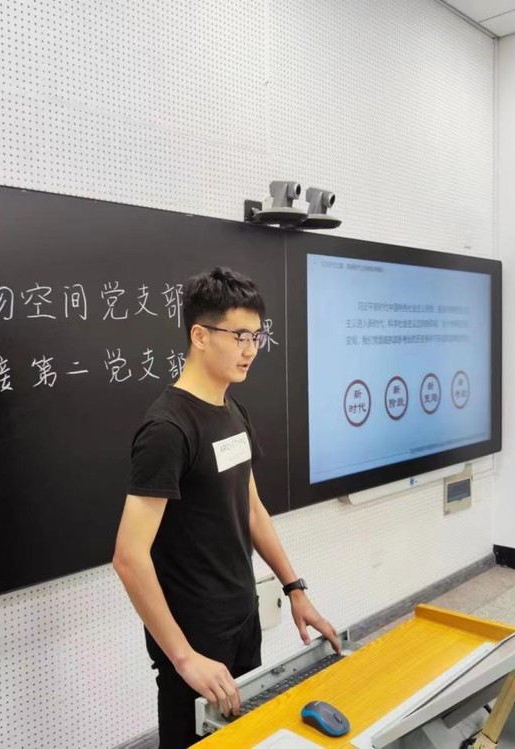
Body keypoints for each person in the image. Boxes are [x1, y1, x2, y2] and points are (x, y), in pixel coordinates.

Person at [113, 266, 339, 748]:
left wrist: (294, 588)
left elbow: (252, 508)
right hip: (194, 636)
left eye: (256, 336)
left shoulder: (232, 411)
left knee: (243, 739)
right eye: (239, 336)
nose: (250, 349)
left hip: (241, 614)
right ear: (199, 335)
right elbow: (129, 557)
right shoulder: (167, 430)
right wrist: (184, 658)